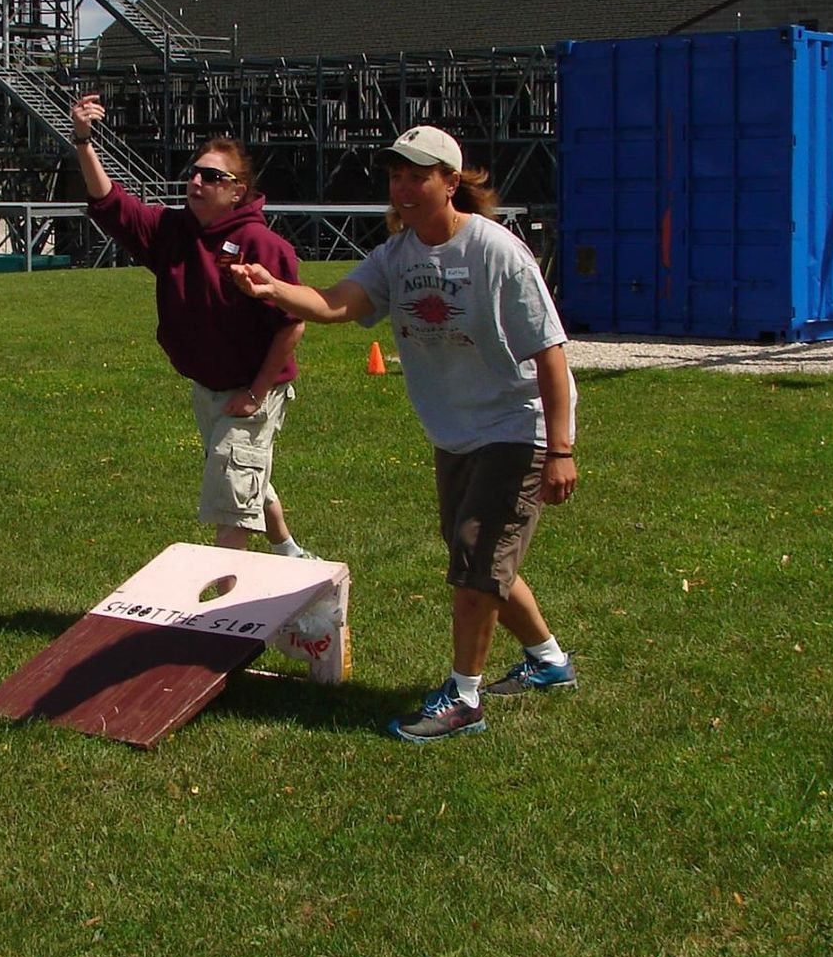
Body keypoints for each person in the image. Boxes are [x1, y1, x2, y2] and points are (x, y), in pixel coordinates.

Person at [232, 125, 578, 742]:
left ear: (451, 181)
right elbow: (340, 302)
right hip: (456, 433)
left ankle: (464, 699)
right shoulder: (398, 255)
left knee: (477, 557)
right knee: (480, 556)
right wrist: (274, 289)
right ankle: (549, 662)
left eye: (418, 175)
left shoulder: (495, 252)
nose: (404, 187)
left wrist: (560, 450)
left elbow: (550, 353)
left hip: (515, 427)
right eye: (396, 175)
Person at [70, 92, 315, 557]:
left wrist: (255, 394)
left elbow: (292, 326)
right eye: (194, 173)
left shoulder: (261, 244)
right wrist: (83, 141)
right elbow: (111, 204)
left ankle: (228, 618)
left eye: (212, 176)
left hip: (253, 390)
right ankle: (290, 553)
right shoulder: (173, 231)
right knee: (241, 478)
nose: (197, 182)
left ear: (237, 190)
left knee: (228, 500)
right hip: (209, 388)